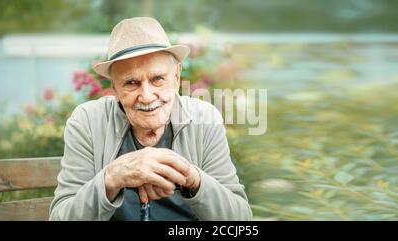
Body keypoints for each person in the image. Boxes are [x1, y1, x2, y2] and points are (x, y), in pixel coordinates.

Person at [49, 17, 252, 221]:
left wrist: (192, 178)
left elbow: (240, 218)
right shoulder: (87, 122)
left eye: (157, 79)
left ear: (176, 77)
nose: (146, 96)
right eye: (131, 82)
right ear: (115, 89)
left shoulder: (205, 119)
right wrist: (111, 178)